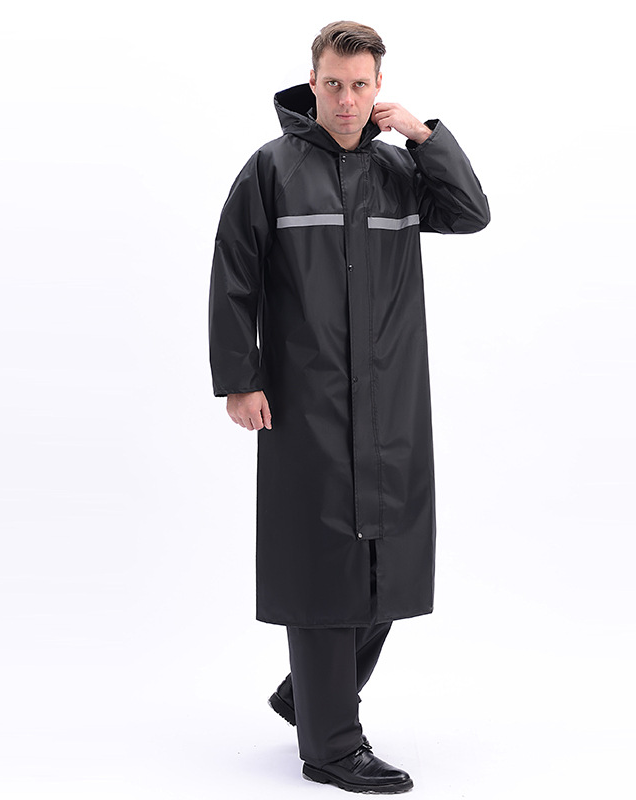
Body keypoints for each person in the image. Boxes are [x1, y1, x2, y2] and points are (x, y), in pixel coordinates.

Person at [208, 20, 490, 794]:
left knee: (389, 564)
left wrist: (426, 137)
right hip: (307, 400)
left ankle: (307, 696)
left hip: (393, 401)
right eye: (333, 83)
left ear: (378, 89)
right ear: (312, 81)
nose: (345, 99)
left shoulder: (400, 172)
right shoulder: (271, 169)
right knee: (321, 562)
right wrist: (239, 378)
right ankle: (331, 745)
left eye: (360, 85)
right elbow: (233, 273)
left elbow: (470, 212)